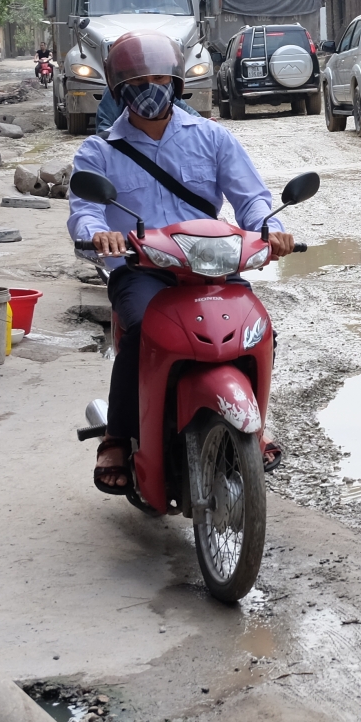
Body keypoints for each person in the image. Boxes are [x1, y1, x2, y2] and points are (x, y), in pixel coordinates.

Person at [65, 32, 293, 495]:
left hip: (210, 265)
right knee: (142, 333)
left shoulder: (211, 137)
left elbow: (251, 199)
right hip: (141, 271)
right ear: (118, 90)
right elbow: (84, 210)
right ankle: (116, 435)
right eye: (137, 82)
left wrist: (268, 231)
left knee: (259, 330)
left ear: (176, 84)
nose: (150, 89)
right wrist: (98, 234)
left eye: (159, 79)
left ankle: (256, 422)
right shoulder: (100, 151)